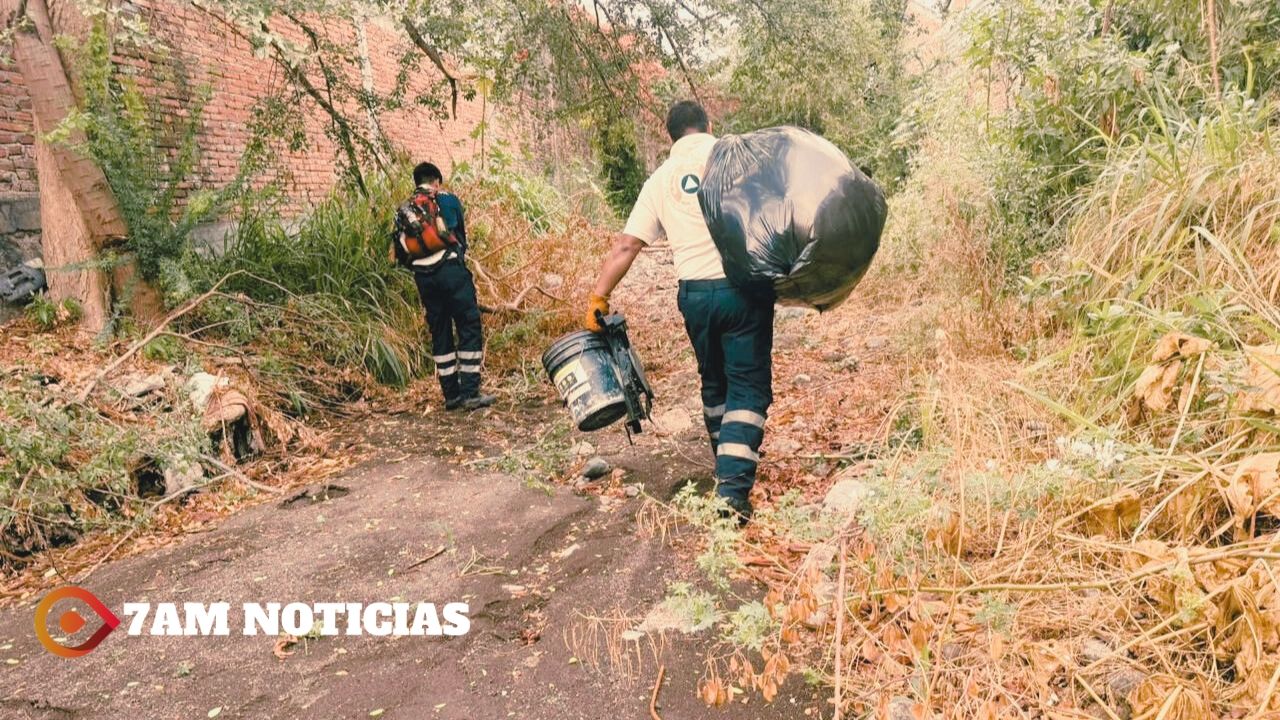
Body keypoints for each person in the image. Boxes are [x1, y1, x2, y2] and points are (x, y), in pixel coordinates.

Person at [584, 101, 774, 524]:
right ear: (709, 126)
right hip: (742, 290)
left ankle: (724, 462)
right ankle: (733, 492)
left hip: (695, 296)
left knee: (715, 382)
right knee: (747, 386)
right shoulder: (737, 159)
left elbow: (627, 246)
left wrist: (598, 296)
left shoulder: (660, 180)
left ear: (670, 136)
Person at [397, 162, 495, 411]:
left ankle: (451, 395)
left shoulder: (405, 209)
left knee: (439, 330)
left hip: (423, 278)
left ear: (416, 181)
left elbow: (400, 252)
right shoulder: (447, 199)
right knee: (468, 324)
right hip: (451, 271)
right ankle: (470, 392)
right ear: (437, 181)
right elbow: (460, 237)